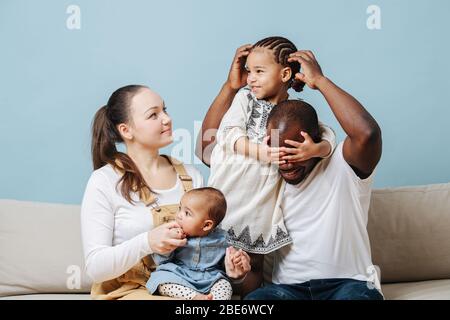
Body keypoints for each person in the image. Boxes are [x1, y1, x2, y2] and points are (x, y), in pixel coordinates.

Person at [197, 48, 384, 300]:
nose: (285, 161)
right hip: (286, 291)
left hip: (347, 284)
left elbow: (367, 134)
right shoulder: (265, 178)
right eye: (276, 148)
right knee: (255, 302)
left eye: (294, 149)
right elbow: (207, 148)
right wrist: (239, 275)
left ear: (314, 139)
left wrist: (320, 81)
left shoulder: (341, 166)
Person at [81, 85, 248, 300]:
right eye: (153, 115)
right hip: (131, 292)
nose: (167, 119)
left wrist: (234, 274)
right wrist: (147, 242)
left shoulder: (191, 176)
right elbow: (95, 267)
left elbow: (204, 251)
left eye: (164, 110)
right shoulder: (105, 181)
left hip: (188, 289)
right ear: (126, 130)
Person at [205, 37, 336, 294]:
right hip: (229, 192)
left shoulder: (294, 111)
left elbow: (327, 134)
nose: (250, 78)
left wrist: (316, 149)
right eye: (249, 71)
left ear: (285, 73)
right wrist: (261, 152)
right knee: (214, 258)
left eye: (259, 71)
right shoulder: (244, 99)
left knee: (252, 264)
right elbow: (228, 134)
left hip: (261, 204)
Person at [146, 187, 251, 300]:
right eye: (180, 208)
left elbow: (226, 265)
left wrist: (234, 261)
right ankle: (194, 297)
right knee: (161, 280)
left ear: (206, 225)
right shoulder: (173, 233)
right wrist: (169, 244)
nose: (179, 215)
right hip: (179, 274)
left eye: (187, 213)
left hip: (210, 278)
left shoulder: (222, 239)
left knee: (225, 285)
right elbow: (162, 261)